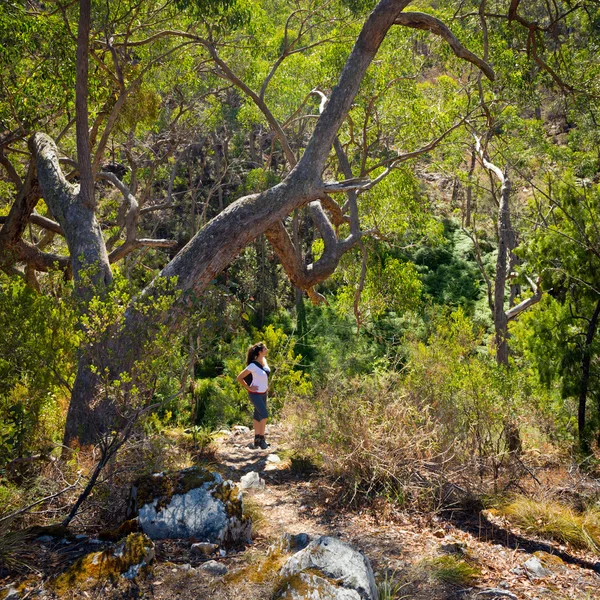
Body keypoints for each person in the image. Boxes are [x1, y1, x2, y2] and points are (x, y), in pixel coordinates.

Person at [236, 342, 271, 449]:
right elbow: (239, 378)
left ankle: (256, 440)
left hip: (263, 393)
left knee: (257, 416)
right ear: (260, 352)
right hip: (255, 394)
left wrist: (266, 386)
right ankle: (262, 439)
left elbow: (264, 376)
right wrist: (249, 388)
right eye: (265, 348)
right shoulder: (252, 365)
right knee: (264, 415)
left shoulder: (264, 361)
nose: (267, 349)